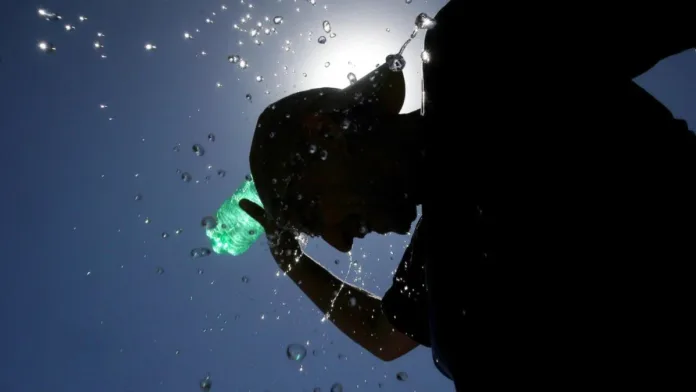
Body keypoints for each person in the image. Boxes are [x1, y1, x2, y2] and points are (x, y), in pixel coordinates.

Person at [241, 0, 696, 389]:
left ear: (323, 132)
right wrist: (292, 261)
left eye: (311, 212)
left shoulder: (476, 51)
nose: (340, 243)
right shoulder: (447, 248)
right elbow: (383, 334)